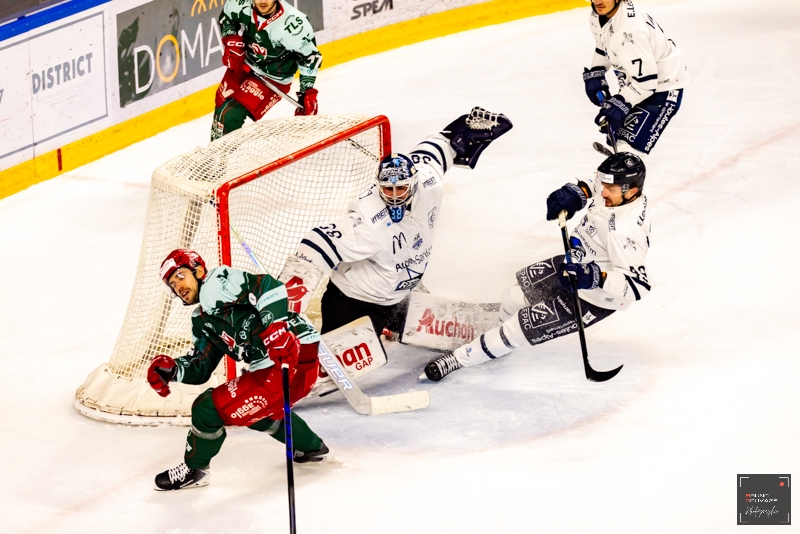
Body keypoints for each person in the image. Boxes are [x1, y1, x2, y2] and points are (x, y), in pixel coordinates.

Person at [278, 107, 513, 337]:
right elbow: (316, 242)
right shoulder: (366, 219)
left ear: (413, 182)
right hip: (355, 305)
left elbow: (438, 149)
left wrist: (459, 134)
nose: (393, 195)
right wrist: (291, 300)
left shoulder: (428, 182)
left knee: (469, 332)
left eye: (400, 188)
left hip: (400, 299)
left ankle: (397, 325)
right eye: (387, 189)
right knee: (331, 370)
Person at [424, 152, 651, 381]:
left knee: (517, 329)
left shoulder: (625, 232)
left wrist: (595, 277)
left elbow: (637, 286)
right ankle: (493, 340)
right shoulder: (619, 192)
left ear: (631, 191)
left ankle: (459, 358)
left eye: (608, 189)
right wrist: (580, 191)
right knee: (512, 296)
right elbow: (598, 185)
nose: (602, 192)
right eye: (603, 185)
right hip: (573, 265)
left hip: (592, 298)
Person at [148, 249, 331, 491]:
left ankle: (196, 469)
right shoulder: (202, 320)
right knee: (258, 412)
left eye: (180, 276)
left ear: (199, 271)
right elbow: (201, 366)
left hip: (289, 353)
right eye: (172, 284)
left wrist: (275, 327)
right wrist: (173, 370)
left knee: (206, 408)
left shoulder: (216, 283)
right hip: (298, 362)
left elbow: (269, 286)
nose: (177, 286)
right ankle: (312, 448)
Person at [583, 0, 688, 157]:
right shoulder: (599, 15)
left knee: (628, 152)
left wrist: (621, 103)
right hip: (637, 83)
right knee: (617, 144)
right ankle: (603, 179)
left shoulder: (628, 32)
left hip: (663, 88)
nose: (598, 1)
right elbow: (602, 44)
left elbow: (646, 84)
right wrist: (597, 69)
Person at [211, 0, 322, 141]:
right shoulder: (240, 3)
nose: (262, 1)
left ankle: (219, 160)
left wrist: (306, 92)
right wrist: (231, 38)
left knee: (230, 114)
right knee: (220, 110)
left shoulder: (293, 24)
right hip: (243, 64)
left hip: (272, 78)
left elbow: (310, 57)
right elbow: (227, 18)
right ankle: (216, 158)